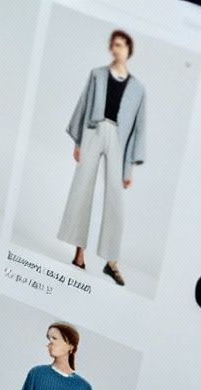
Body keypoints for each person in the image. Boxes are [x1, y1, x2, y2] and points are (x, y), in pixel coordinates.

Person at [58, 29, 147, 286]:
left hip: (118, 138)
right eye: (114, 45)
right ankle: (79, 254)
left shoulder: (138, 89)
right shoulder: (97, 74)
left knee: (115, 200)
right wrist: (78, 141)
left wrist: (128, 169)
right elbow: (84, 104)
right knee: (82, 189)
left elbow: (139, 129)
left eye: (121, 45)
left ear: (129, 49)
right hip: (94, 130)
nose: (117, 49)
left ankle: (111, 261)